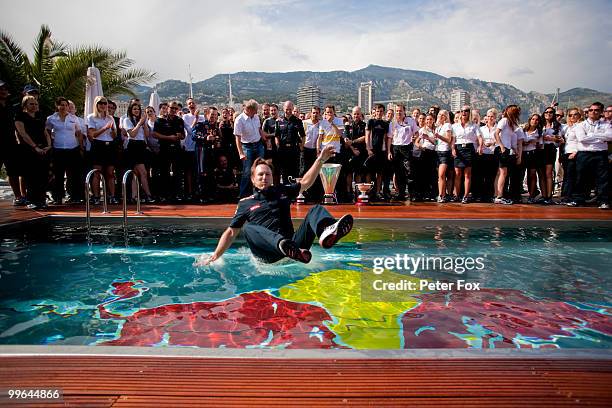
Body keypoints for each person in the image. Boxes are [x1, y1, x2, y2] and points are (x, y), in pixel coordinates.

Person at [199, 145, 353, 265]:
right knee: (248, 228)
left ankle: (327, 231)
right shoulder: (246, 203)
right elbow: (231, 233)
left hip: (293, 248)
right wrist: (215, 255)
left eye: (268, 174)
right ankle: (282, 245)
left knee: (316, 209)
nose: (264, 177)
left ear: (272, 178)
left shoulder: (282, 191)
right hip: (267, 255)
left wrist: (320, 160)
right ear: (253, 179)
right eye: (260, 174)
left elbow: (305, 183)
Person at [571, 102, 612, 209]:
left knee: (602, 178)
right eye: (591, 110)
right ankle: (578, 199)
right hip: (584, 153)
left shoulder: (607, 125)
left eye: (596, 110)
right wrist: (600, 137)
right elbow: (582, 139)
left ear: (601, 112)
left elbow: (610, 137)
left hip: (600, 154)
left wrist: (591, 136)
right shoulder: (581, 125)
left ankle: (603, 201)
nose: (593, 112)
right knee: (581, 177)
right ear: (588, 112)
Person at [15, 95, 52, 209]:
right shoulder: (20, 116)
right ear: (25, 105)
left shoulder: (40, 116)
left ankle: (41, 200)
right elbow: (23, 133)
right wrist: (35, 147)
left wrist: (49, 146)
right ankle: (32, 200)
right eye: (31, 104)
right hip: (29, 150)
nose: (34, 106)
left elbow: (45, 132)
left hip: (43, 149)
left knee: (43, 176)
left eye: (36, 104)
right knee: (31, 176)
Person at [46, 96, 84, 204]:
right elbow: (47, 132)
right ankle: (58, 197)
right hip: (58, 149)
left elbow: (79, 133)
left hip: (73, 149)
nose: (64, 107)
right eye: (62, 105)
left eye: (66, 105)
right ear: (57, 106)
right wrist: (50, 144)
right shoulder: (51, 119)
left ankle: (75, 196)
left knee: (74, 174)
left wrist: (81, 147)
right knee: (58, 174)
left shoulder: (73, 118)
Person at [87, 96, 118, 204]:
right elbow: (92, 134)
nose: (103, 105)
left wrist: (113, 130)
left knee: (110, 173)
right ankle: (96, 196)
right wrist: (104, 128)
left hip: (109, 146)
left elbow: (114, 136)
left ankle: (112, 196)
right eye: (101, 103)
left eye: (105, 103)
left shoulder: (110, 118)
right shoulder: (91, 117)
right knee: (97, 172)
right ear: (96, 104)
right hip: (98, 145)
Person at [153, 100, 185, 202]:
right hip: (164, 149)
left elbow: (183, 135)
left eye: (176, 108)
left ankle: (178, 194)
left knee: (178, 172)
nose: (174, 110)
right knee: (164, 173)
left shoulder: (179, 120)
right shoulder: (160, 120)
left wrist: (181, 136)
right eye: (172, 108)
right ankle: (165, 195)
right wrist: (169, 138)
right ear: (168, 108)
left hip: (176, 149)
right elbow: (155, 134)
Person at [0, 79, 26, 206]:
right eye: (1, 89)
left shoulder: (11, 106)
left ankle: (18, 197)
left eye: (5, 89)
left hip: (10, 142)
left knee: (13, 171)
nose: (4, 91)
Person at [123, 102, 154, 203]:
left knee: (136, 173)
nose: (136, 111)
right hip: (133, 146)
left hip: (141, 145)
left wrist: (144, 124)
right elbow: (132, 134)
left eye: (138, 109)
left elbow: (147, 134)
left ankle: (134, 196)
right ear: (131, 111)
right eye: (134, 109)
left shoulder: (141, 120)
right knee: (143, 172)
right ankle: (148, 194)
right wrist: (139, 123)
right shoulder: (127, 120)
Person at [234, 99, 267, 198]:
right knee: (247, 171)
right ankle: (243, 195)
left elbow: (259, 129)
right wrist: (241, 153)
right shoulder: (239, 120)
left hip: (258, 144)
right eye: (255, 110)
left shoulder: (256, 117)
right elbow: (237, 138)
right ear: (249, 109)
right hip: (246, 146)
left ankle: (260, 193)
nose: (257, 112)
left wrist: (264, 138)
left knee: (260, 168)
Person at [387, 104, 419, 202]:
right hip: (396, 148)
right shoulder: (392, 123)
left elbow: (417, 133)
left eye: (400, 111)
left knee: (409, 172)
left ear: (404, 112)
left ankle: (412, 193)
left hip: (407, 148)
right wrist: (389, 151)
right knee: (398, 172)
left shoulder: (411, 121)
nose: (398, 112)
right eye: (397, 111)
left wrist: (415, 139)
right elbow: (389, 138)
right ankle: (400, 193)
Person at [451, 105, 482, 203]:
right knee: (457, 173)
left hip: (469, 148)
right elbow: (453, 140)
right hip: (458, 148)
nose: (464, 112)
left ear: (469, 113)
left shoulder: (474, 125)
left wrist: (480, 146)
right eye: (462, 111)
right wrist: (453, 149)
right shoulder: (455, 126)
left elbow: (480, 137)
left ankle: (465, 196)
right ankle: (456, 195)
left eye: (466, 111)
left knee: (467, 174)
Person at [494, 105, 520, 205]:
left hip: (507, 149)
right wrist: (501, 146)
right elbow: (496, 133)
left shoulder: (511, 124)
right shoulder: (504, 120)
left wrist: (516, 151)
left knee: (501, 173)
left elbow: (510, 140)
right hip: (502, 149)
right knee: (503, 173)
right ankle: (499, 196)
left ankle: (497, 195)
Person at [275, 101, 305, 184]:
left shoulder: (298, 121)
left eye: (290, 109)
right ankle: (285, 190)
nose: (288, 111)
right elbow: (277, 135)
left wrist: (301, 146)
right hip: (283, 150)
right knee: (284, 171)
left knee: (294, 171)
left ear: (293, 109)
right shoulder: (279, 121)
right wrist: (278, 146)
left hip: (294, 149)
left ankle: (293, 191)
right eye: (287, 109)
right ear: (283, 109)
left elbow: (303, 135)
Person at [366, 104, 390, 201]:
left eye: (381, 111)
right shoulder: (371, 122)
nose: (379, 113)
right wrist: (368, 149)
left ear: (383, 112)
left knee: (379, 173)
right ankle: (369, 192)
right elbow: (367, 136)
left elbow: (385, 138)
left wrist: (386, 151)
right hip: (372, 151)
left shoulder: (385, 124)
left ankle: (378, 192)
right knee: (370, 173)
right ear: (375, 112)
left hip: (381, 151)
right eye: (377, 111)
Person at [434, 110, 454, 202]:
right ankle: (442, 194)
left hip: (445, 152)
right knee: (440, 176)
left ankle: (442, 195)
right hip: (438, 152)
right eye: (439, 115)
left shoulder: (447, 125)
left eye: (443, 115)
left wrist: (438, 136)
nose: (441, 116)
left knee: (442, 174)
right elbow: (436, 141)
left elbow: (448, 139)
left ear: (446, 117)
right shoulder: (438, 127)